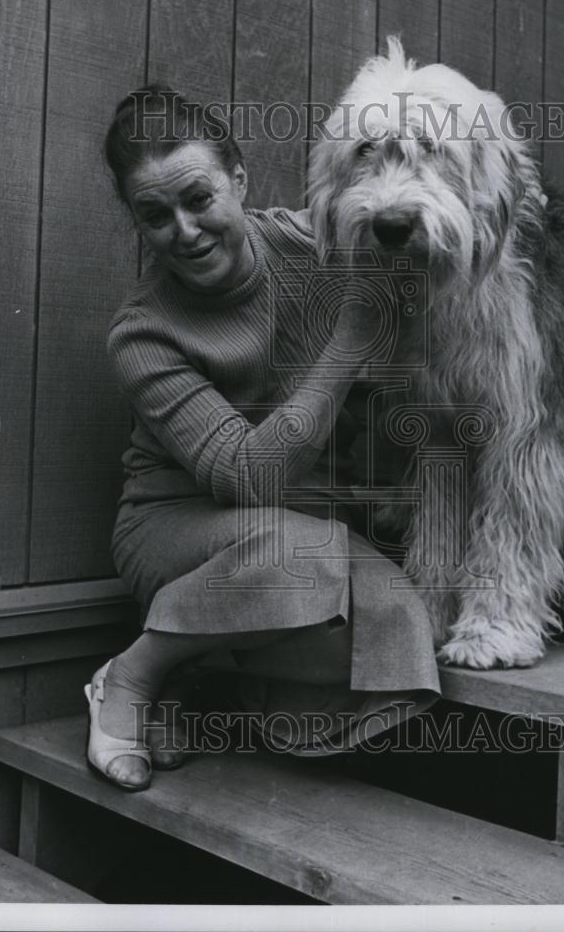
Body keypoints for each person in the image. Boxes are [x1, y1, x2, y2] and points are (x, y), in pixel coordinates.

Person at [86, 85, 441, 791]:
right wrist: (347, 344)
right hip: (180, 529)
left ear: (239, 179)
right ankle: (131, 676)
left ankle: (201, 669)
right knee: (302, 555)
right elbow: (252, 480)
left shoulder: (320, 245)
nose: (184, 230)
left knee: (405, 633)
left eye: (198, 198)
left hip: (310, 537)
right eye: (155, 216)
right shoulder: (142, 332)